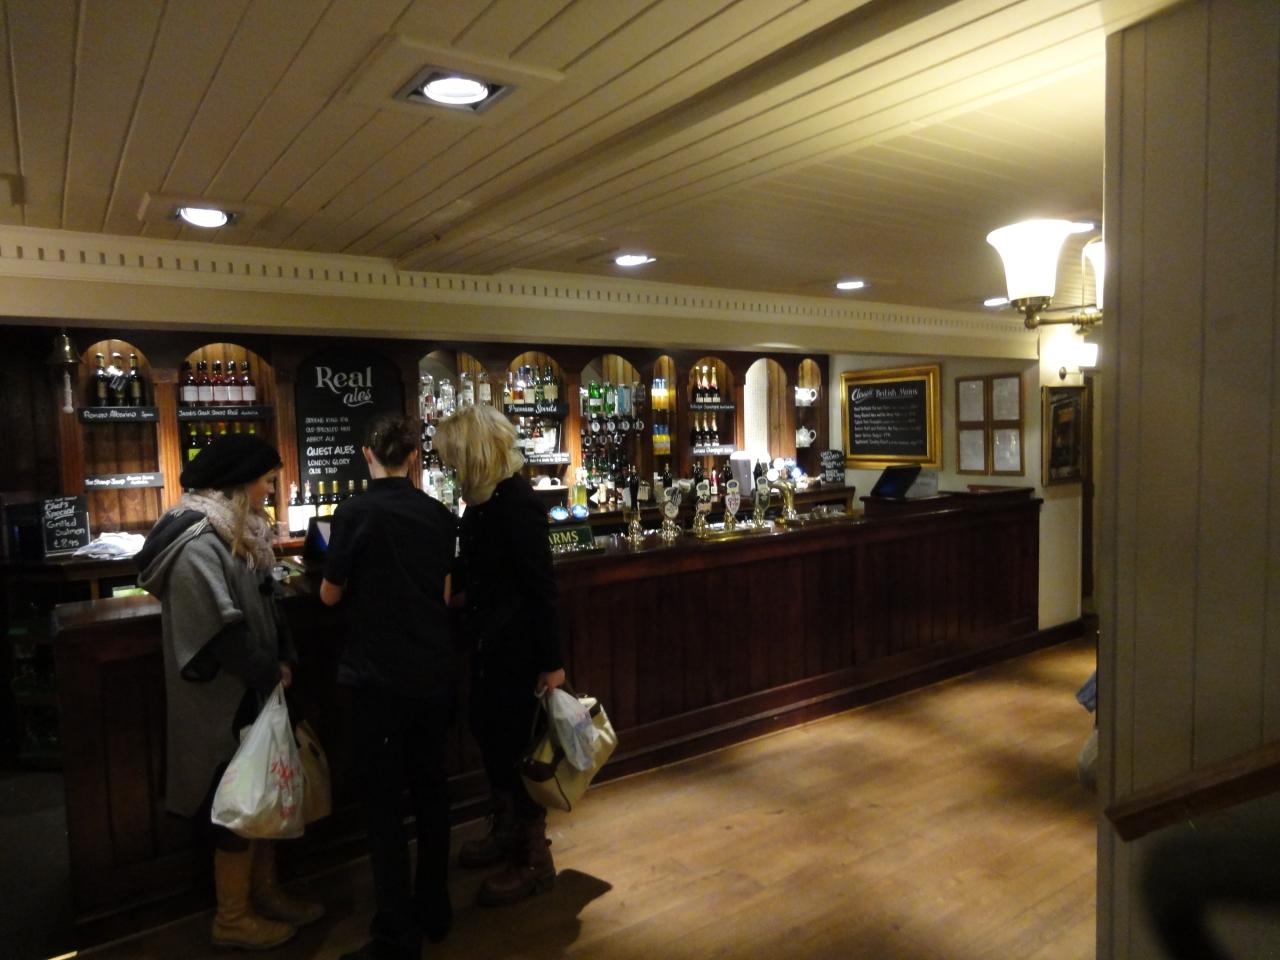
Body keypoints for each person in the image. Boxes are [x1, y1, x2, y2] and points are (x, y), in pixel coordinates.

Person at [137, 432, 323, 951]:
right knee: (234, 805)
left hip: (252, 692)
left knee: (261, 795)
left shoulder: (237, 529)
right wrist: (269, 671)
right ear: (240, 484)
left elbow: (264, 601)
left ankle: (265, 893)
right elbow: (218, 632)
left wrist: (281, 659)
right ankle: (233, 917)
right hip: (220, 700)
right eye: (266, 480)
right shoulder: (196, 541)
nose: (272, 490)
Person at [319, 413, 458, 960]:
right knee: (431, 792)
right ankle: (436, 908)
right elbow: (443, 593)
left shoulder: (354, 512)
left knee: (384, 806)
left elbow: (329, 595)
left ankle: (397, 933)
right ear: (415, 458)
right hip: (433, 671)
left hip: (377, 678)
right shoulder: (439, 514)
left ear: (367, 455)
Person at [432, 404, 566, 908]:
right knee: (490, 736)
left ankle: (534, 859)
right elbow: (476, 569)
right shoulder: (482, 503)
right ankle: (506, 831)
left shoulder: (518, 505)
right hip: (490, 644)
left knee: (519, 749)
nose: (449, 468)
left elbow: (541, 589)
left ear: (475, 455)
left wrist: (552, 664)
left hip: (520, 652)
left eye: (453, 458)